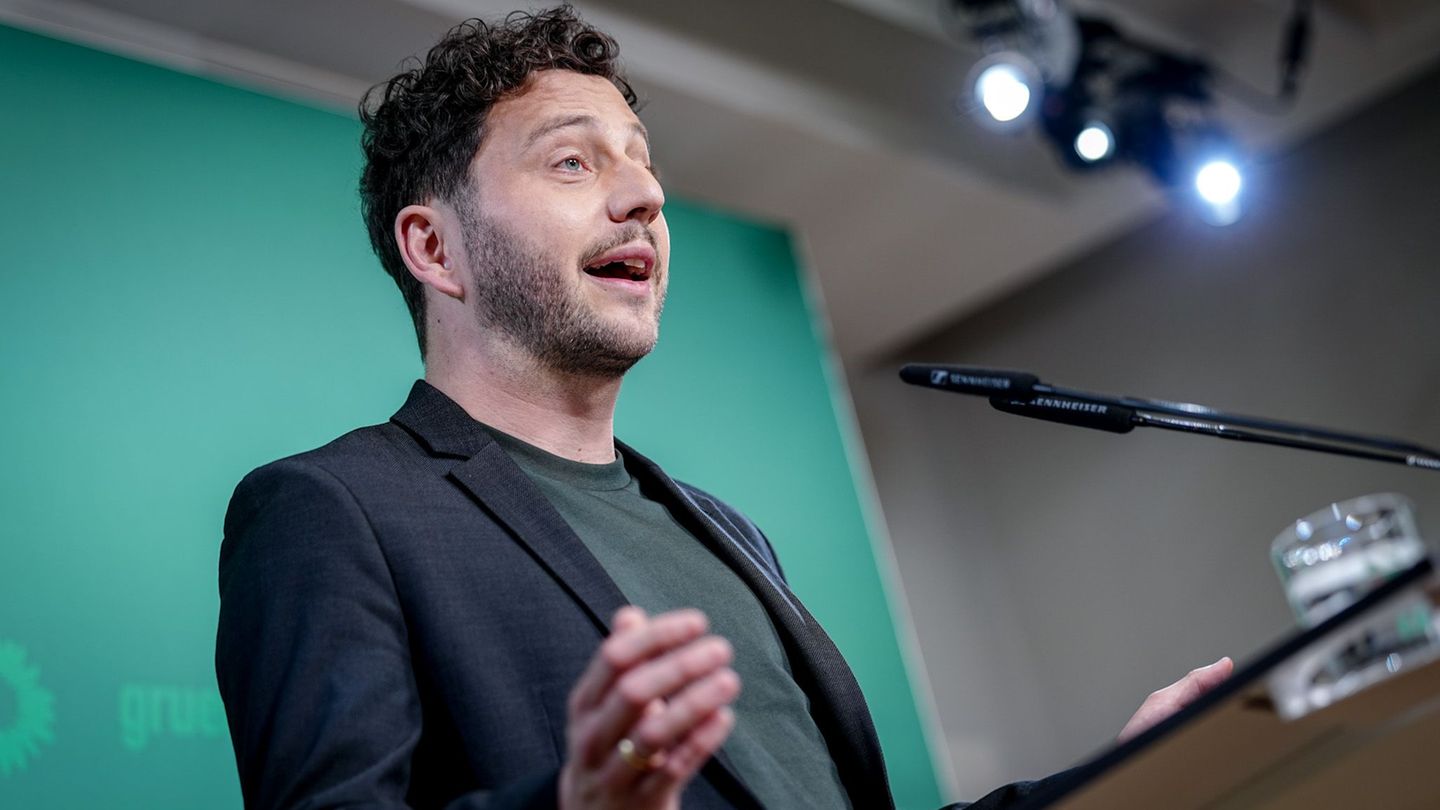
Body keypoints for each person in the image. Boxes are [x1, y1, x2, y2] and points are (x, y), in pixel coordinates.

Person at [214, 7, 1231, 809]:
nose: (644, 195)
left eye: (641, 159)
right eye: (574, 160)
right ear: (435, 249)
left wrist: (1121, 783)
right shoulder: (329, 510)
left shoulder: (724, 532)